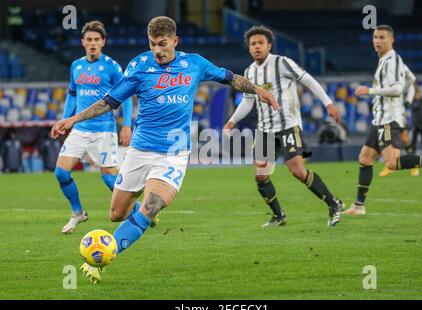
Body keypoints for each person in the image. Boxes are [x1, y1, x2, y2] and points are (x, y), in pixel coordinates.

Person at [51, 16, 279, 283]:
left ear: (174, 41)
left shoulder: (194, 64)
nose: (157, 50)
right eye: (152, 44)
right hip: (139, 150)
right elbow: (109, 101)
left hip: (173, 153)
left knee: (152, 206)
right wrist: (72, 119)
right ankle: (138, 210)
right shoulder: (139, 65)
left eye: (162, 44)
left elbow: (230, 78)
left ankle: (103, 258)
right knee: (116, 214)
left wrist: (258, 90)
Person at [223, 26, 344, 228]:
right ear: (249, 48)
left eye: (261, 43)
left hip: (287, 125)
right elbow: (248, 101)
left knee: (297, 170)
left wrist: (328, 103)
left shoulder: (282, 63)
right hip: (264, 130)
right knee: (261, 176)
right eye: (253, 44)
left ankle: (334, 203)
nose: (257, 47)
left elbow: (309, 81)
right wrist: (231, 120)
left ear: (269, 45)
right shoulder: (249, 72)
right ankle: (279, 216)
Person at [343, 25, 422, 216]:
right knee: (365, 158)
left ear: (391, 40)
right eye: (375, 37)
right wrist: (406, 96)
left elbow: (396, 88)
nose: (377, 41)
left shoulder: (392, 60)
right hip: (378, 119)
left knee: (392, 163)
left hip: (389, 120)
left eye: (382, 37)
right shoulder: (385, 60)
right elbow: (410, 78)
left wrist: (370, 91)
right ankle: (359, 206)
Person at [54, 21, 133, 234]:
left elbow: (126, 97)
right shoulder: (76, 66)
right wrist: (64, 120)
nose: (92, 43)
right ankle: (78, 213)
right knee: (61, 173)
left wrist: (126, 125)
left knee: (108, 178)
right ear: (83, 42)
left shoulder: (112, 67)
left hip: (104, 131)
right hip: (80, 130)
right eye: (89, 40)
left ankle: (137, 210)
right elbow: (72, 94)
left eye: (96, 40)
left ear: (103, 42)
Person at [379, 64, 417, 177]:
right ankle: (390, 166)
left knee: (405, 139)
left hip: (399, 113)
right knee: (387, 140)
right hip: (386, 114)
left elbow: (411, 87)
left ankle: (413, 166)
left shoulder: (401, 77)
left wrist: (408, 101)